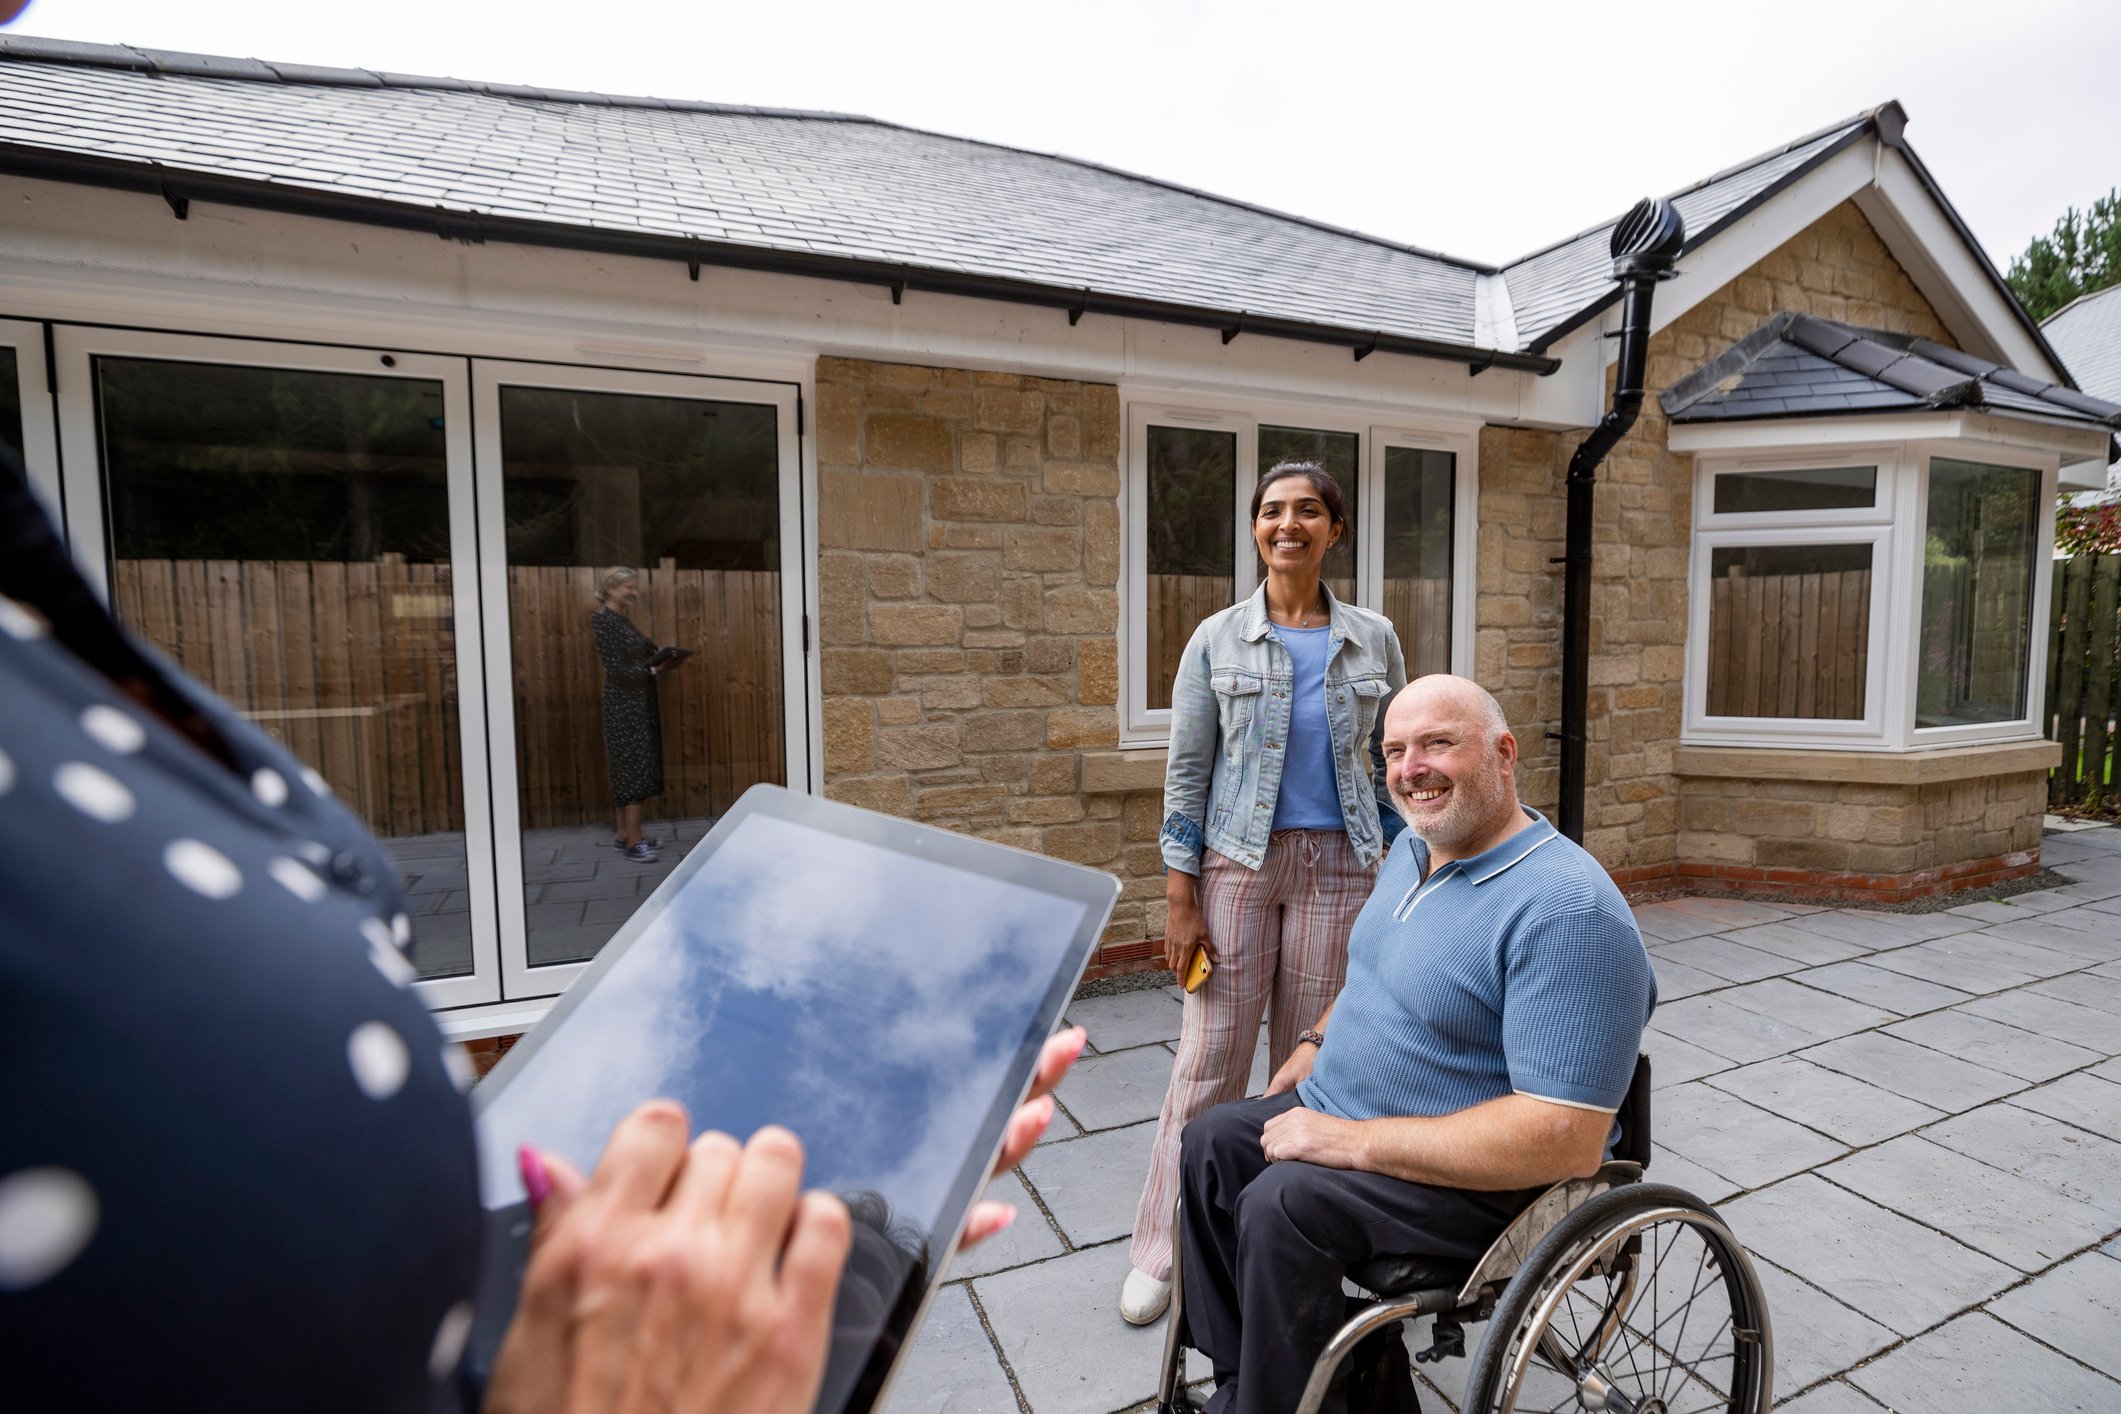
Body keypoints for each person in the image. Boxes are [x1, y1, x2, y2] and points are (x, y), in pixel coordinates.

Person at [0, 445, 1080, 1412]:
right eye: (620, 583)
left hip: (535, 1288)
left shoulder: (40, 613)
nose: (620, 592)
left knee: (863, 1235)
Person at [1174, 675, 1657, 1414]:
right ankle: (1258, 1382)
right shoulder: (1415, 850)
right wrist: (1314, 1037)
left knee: (1283, 1204)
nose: (1409, 769)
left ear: (1502, 753)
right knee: (1210, 1144)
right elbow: (1382, 967)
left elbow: (1562, 1141)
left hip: (1474, 1180)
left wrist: (1352, 1141)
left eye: (1436, 743)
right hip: (1347, 1108)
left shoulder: (1568, 912)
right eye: (1394, 750)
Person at [1121, 460, 1407, 1325]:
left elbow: (1389, 766)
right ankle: (1162, 1248)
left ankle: (1272, 1244)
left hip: (1343, 867)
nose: (1290, 524)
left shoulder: (1374, 638)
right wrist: (1180, 898)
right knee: (1208, 1061)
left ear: (1334, 530)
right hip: (1236, 869)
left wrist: (1405, 871)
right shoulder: (1214, 639)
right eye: (1274, 511)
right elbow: (1186, 774)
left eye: (1309, 511)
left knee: (1306, 1064)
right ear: (1255, 529)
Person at [591, 566, 676, 862]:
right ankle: (634, 842)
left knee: (630, 766)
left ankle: (626, 833)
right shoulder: (604, 621)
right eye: (629, 587)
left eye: (634, 587)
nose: (634, 592)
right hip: (624, 706)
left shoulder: (619, 621)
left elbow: (643, 651)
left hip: (637, 703)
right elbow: (616, 669)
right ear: (611, 588)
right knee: (633, 769)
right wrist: (652, 669)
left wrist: (666, 655)